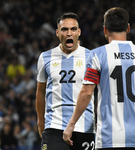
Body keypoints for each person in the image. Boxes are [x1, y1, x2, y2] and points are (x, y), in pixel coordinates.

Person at [63, 7, 135, 149]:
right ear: (128, 28)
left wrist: (71, 124)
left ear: (105, 30)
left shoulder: (97, 55)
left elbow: (86, 93)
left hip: (108, 137)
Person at [35, 12, 95, 150]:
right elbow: (40, 92)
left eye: (73, 29)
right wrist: (40, 122)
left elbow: (100, 91)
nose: (69, 33)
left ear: (79, 32)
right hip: (55, 127)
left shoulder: (91, 57)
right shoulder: (45, 57)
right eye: (64, 29)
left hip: (84, 127)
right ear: (57, 32)